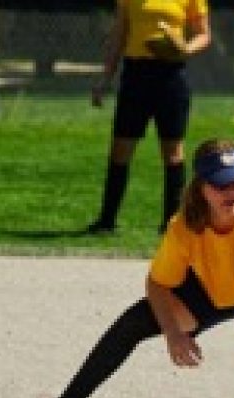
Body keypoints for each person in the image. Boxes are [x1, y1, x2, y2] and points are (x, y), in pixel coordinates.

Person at [20, 138, 234, 398]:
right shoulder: (184, 226)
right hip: (206, 295)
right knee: (132, 323)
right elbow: (157, 284)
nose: (231, 193)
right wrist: (172, 333)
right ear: (201, 187)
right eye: (220, 185)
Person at [87, 0, 212, 235]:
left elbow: (204, 35)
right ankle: (106, 220)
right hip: (136, 74)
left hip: (171, 75)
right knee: (121, 148)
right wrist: (105, 78)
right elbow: (119, 35)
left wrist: (185, 48)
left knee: (173, 151)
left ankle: (172, 223)